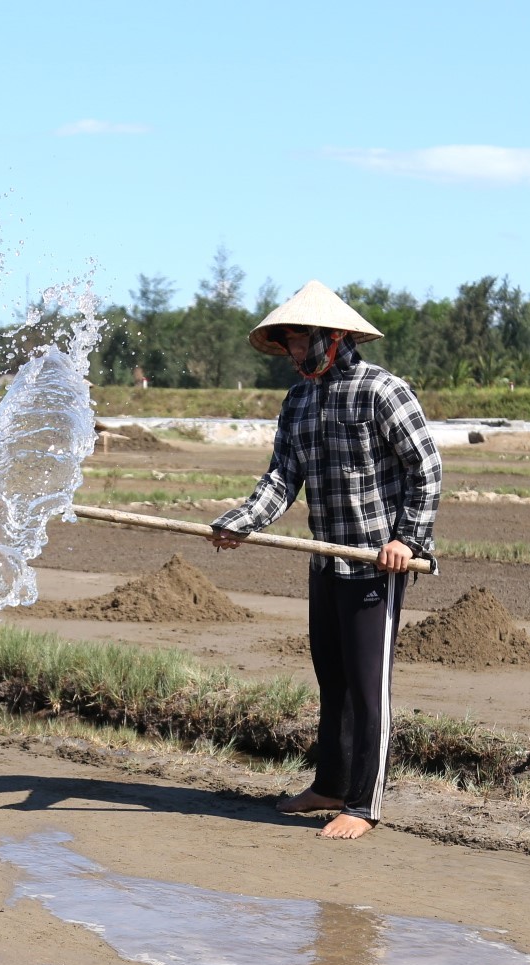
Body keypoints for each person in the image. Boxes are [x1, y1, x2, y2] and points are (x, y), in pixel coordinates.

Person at [209, 281, 442, 840]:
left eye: (297, 342)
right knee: (332, 682)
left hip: (375, 566)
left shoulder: (382, 391)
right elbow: (282, 479)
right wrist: (241, 521)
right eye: (286, 343)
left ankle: (363, 804)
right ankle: (332, 784)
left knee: (368, 689)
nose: (291, 353)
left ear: (331, 337)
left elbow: (427, 470)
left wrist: (406, 540)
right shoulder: (299, 402)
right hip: (325, 562)